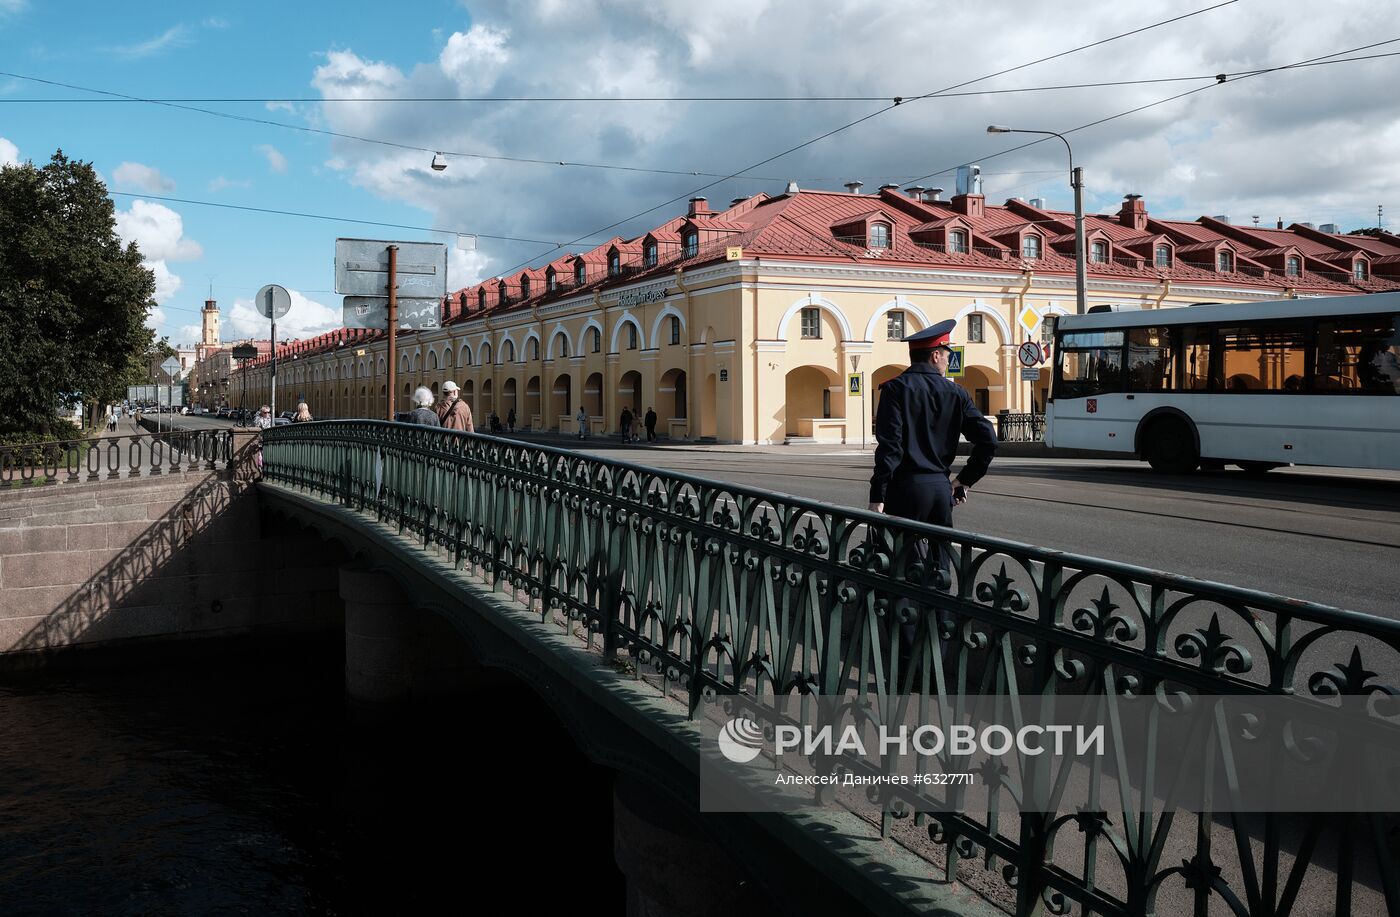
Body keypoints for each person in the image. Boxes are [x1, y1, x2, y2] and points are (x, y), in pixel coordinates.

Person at [869, 318, 997, 590]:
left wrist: (877, 496)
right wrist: (964, 480)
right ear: (935, 354)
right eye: (947, 354)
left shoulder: (895, 389)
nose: (949, 360)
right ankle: (940, 624)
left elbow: (890, 448)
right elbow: (988, 440)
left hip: (904, 489)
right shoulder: (956, 393)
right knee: (940, 566)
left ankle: (905, 627)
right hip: (940, 490)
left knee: (902, 565)